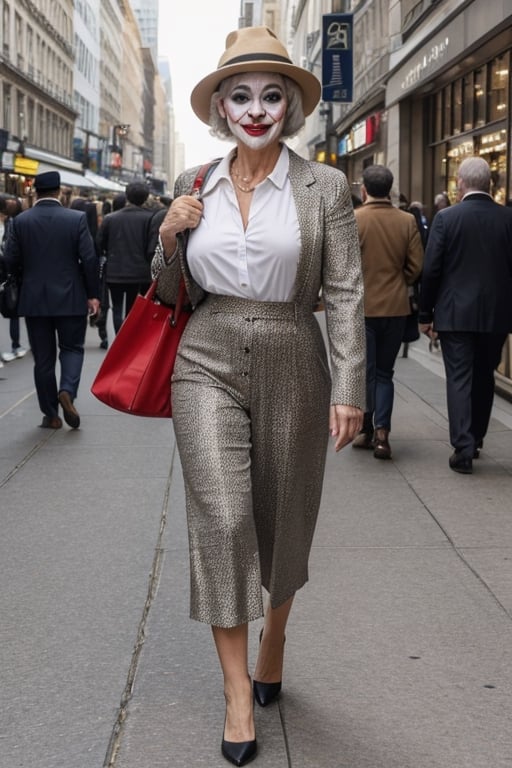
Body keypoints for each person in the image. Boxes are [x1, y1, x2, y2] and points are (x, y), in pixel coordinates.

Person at [151, 26, 365, 767]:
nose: (255, 108)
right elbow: (172, 292)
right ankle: (238, 693)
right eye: (239, 95)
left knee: (282, 521)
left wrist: (351, 387)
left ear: (289, 108)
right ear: (219, 107)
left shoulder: (325, 187)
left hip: (293, 356)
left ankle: (274, 639)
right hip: (204, 357)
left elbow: (343, 291)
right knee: (224, 514)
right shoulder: (195, 182)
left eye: (271, 95)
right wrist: (169, 237)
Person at [419, 156, 512, 474]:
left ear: (460, 182)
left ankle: (463, 447)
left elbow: (431, 271)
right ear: (490, 184)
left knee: (459, 377)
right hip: (497, 314)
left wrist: (424, 313)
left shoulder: (446, 218)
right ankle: (478, 436)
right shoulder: (508, 219)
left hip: (455, 312)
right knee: (485, 374)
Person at [2, 171, 99, 429]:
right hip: (71, 296)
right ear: (59, 192)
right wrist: (93, 294)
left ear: (35, 191)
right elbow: (89, 259)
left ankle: (51, 414)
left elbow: (9, 260)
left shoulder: (20, 221)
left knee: (43, 358)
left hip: (34, 298)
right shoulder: (76, 219)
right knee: (72, 348)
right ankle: (67, 389)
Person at [352, 165, 423, 459]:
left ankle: (366, 429)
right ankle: (383, 433)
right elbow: (416, 266)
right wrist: (399, 282)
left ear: (364, 190)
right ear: (390, 190)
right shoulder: (406, 221)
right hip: (395, 308)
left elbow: (344, 266)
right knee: (385, 373)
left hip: (363, 308)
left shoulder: (354, 220)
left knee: (366, 372)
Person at [96, 182, 153, 334]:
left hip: (115, 270)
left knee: (117, 307)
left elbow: (99, 244)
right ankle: (127, 342)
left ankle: (118, 341)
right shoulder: (150, 218)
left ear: (127, 196)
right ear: (146, 197)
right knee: (132, 309)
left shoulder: (110, 218)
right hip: (140, 272)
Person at [0, 195, 28, 363]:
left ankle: (15, 346)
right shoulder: (11, 224)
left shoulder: (11, 224)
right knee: (13, 312)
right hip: (7, 274)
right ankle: (15, 346)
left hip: (4, 272)